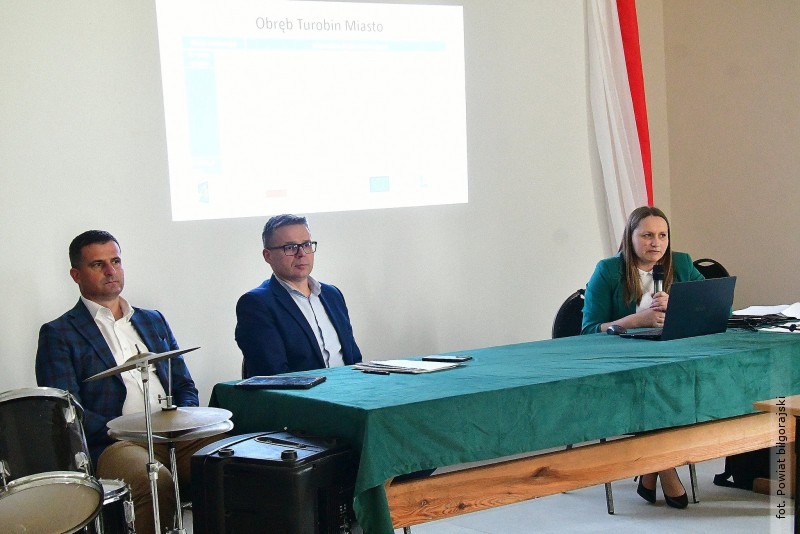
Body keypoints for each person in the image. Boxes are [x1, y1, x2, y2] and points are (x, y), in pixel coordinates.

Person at [36, 230, 219, 534]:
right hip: (115, 444)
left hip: (174, 435)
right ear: (76, 274)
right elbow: (67, 413)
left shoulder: (152, 319)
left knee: (230, 462)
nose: (111, 271)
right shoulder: (59, 333)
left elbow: (184, 385)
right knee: (154, 480)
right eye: (98, 264)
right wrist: (126, 429)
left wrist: (184, 421)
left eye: (116, 261)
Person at [581, 206, 704, 509]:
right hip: (621, 362)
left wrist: (679, 305)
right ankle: (666, 469)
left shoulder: (682, 263)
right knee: (653, 390)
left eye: (663, 235)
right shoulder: (608, 270)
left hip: (669, 356)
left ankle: (650, 473)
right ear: (630, 237)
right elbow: (588, 330)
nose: (656, 243)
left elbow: (718, 308)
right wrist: (636, 321)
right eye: (647, 235)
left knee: (679, 386)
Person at [236, 214, 362, 377]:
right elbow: (273, 374)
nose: (301, 253)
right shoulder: (256, 304)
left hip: (349, 387)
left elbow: (354, 359)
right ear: (268, 256)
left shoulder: (332, 295)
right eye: (290, 247)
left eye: (306, 244)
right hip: (304, 392)